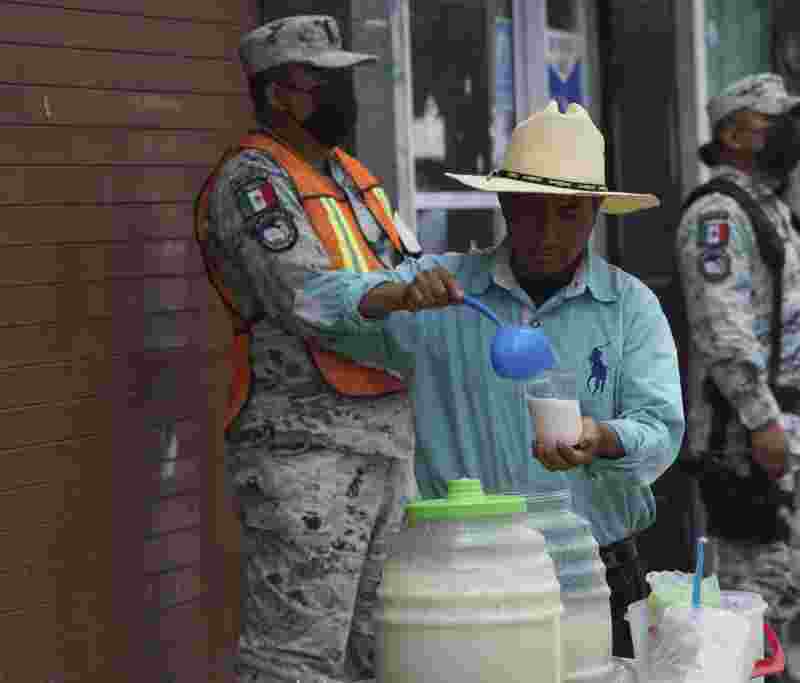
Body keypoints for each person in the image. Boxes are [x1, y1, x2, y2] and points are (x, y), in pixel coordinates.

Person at [289, 101, 686, 659]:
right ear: (503, 203)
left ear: (596, 210)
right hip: (465, 571)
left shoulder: (628, 307)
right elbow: (310, 303)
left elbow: (660, 431)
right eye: (530, 209)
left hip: (593, 566)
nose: (548, 230)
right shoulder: (443, 292)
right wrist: (393, 295)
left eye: (568, 212)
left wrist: (602, 437)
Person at [194, 14, 423, 683]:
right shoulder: (253, 183)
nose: (342, 95)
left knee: (387, 653)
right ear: (277, 94)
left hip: (384, 441)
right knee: (295, 660)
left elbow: (401, 267)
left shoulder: (349, 176)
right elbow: (304, 291)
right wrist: (404, 297)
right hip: (305, 450)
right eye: (322, 82)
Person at [674, 73, 800, 683]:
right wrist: (762, 418)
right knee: (752, 593)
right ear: (731, 134)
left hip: (791, 430)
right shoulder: (719, 214)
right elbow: (723, 328)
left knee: (781, 584)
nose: (789, 133)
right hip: (748, 438)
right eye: (773, 120)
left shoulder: (771, 208)